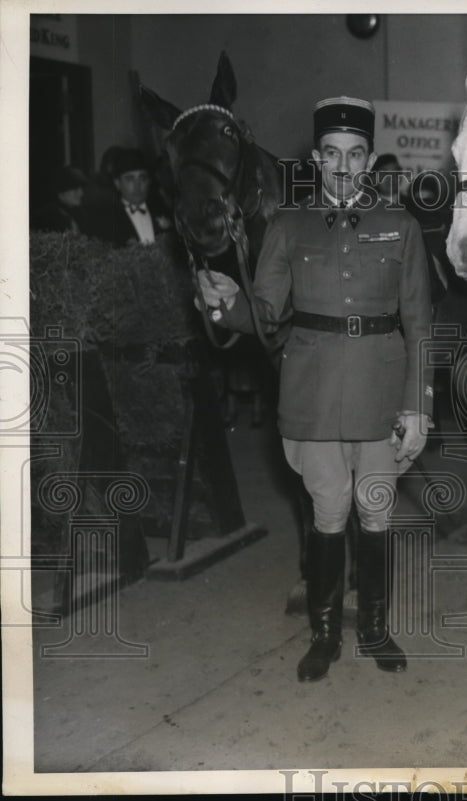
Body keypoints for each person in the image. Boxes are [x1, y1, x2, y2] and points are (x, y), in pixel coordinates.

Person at [195, 96, 434, 682]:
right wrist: (222, 306)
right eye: (332, 155)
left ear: (370, 158)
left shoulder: (400, 228)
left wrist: (418, 405)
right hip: (313, 393)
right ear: (317, 159)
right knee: (329, 509)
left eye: (356, 155)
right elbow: (266, 313)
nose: (344, 167)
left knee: (375, 510)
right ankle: (325, 632)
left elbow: (421, 325)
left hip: (381, 393)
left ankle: (376, 629)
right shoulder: (287, 226)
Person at [88, 148, 172, 247]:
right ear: (117, 183)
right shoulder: (104, 220)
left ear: (149, 181)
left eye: (142, 178)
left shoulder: (165, 211)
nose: (137, 186)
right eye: (130, 179)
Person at [32, 165, 89, 233]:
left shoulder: (80, 213)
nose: (81, 193)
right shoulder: (45, 218)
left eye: (81, 188)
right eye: (75, 189)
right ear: (60, 193)